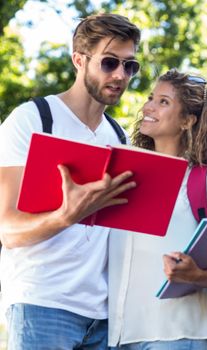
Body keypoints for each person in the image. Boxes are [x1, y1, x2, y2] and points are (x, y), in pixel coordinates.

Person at [0, 13, 141, 349]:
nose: (120, 75)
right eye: (109, 63)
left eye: (130, 66)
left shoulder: (119, 138)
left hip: (105, 319)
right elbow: (7, 230)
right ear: (79, 60)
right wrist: (67, 215)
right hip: (42, 305)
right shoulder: (33, 120)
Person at [108, 68, 207, 349]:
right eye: (151, 98)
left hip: (177, 333)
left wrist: (197, 276)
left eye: (163, 102)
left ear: (187, 120)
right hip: (119, 333)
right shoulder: (125, 172)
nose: (148, 107)